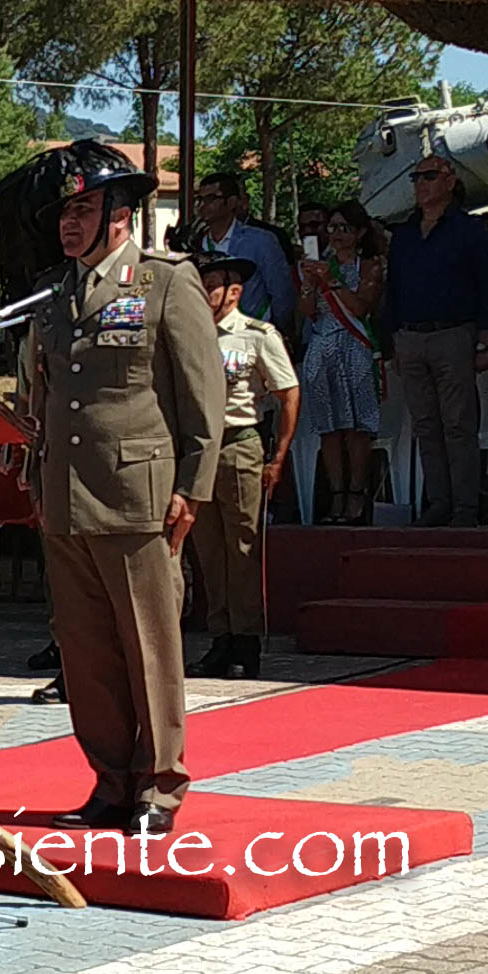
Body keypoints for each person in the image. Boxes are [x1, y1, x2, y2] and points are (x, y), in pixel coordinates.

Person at [16, 140, 223, 836]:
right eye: (63, 213)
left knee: (149, 648)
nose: (68, 224)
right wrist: (37, 479)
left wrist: (193, 487)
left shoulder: (165, 281)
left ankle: (160, 785)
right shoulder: (53, 295)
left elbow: (202, 396)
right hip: (66, 496)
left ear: (120, 214)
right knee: (86, 654)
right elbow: (44, 397)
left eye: (82, 210)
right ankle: (110, 781)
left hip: (140, 495)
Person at [187, 252, 299, 681]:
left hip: (239, 444)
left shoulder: (257, 335)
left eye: (211, 285)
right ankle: (220, 636)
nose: (203, 293)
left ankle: (246, 640)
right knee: (208, 550)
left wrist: (279, 456)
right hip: (200, 449)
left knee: (242, 548)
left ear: (233, 292)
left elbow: (288, 392)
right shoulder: (188, 334)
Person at [385, 155, 488, 527]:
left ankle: (465, 507)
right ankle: (438, 502)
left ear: (450, 182)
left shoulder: (469, 230)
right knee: (425, 425)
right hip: (411, 336)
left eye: (430, 176)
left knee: (458, 424)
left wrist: (484, 340)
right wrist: (394, 339)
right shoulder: (404, 234)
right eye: (416, 177)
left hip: (454, 334)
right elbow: (393, 288)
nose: (421, 183)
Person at [297, 201, 386, 525]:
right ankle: (335, 495)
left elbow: (362, 308)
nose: (336, 234)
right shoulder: (318, 264)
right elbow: (307, 310)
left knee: (357, 427)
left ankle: (357, 494)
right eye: (332, 227)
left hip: (355, 346)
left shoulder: (369, 266)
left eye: (344, 228)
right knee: (329, 428)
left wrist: (331, 279)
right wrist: (310, 284)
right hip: (322, 347)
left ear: (359, 232)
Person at [193, 173, 296, 334]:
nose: (203, 205)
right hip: (209, 331)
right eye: (199, 199)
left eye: (211, 198)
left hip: (252, 333)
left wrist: (277, 331)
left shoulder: (260, 240)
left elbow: (281, 293)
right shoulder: (196, 243)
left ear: (232, 202)